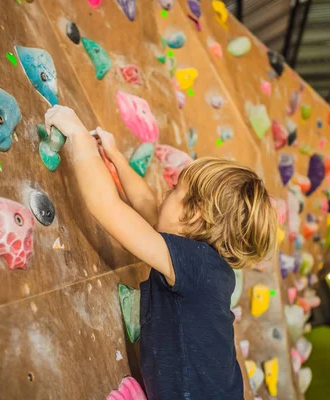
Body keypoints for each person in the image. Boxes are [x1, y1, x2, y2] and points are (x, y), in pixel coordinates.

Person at [45, 106, 277, 400]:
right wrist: (114, 157)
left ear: (195, 214)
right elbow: (148, 206)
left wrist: (79, 137)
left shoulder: (196, 264)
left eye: (175, 190)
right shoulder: (206, 265)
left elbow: (108, 207)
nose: (165, 193)